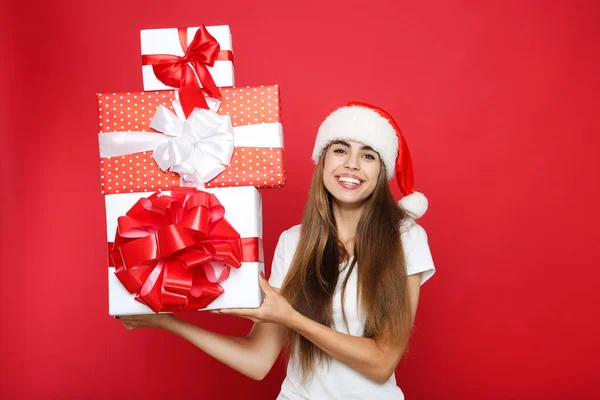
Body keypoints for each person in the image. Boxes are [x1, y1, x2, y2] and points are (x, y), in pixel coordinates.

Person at [117, 102, 436, 399]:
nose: (351, 165)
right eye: (340, 150)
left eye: (368, 155)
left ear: (382, 171)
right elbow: (258, 361)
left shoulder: (405, 238)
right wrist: (168, 322)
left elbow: (382, 364)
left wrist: (292, 318)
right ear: (323, 160)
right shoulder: (293, 242)